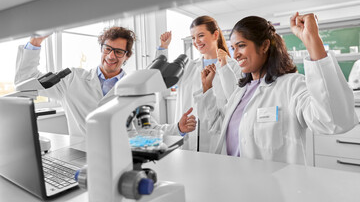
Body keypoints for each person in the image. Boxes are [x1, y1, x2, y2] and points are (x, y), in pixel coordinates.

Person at [195, 13, 357, 164]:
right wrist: (207, 88)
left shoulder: (291, 86)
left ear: (264, 45)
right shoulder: (240, 91)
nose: (235, 54)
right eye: (233, 48)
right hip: (234, 184)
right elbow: (216, 127)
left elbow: (334, 121)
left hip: (276, 189)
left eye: (241, 45)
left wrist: (312, 41)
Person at [14, 26, 197, 138]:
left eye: (118, 51)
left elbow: (147, 128)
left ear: (127, 56)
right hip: (80, 155)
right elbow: (25, 82)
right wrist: (35, 42)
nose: (111, 56)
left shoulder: (136, 87)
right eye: (107, 49)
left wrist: (178, 128)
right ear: (101, 49)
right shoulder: (71, 78)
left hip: (120, 157)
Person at [156, 16, 242, 152]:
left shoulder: (233, 66)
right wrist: (163, 48)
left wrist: (225, 67)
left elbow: (235, 100)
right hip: (188, 135)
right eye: (193, 38)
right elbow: (159, 78)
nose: (196, 42)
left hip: (216, 135)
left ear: (215, 34)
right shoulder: (188, 66)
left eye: (201, 35)